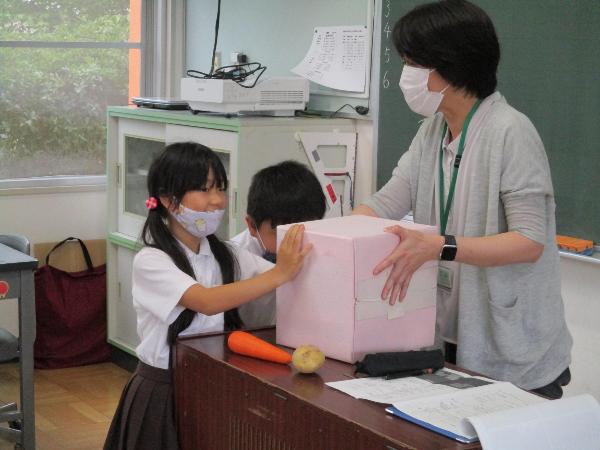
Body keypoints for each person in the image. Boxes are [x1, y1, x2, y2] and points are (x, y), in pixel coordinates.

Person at [353, 0, 572, 398]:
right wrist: (337, 235)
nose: (406, 75)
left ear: (450, 65)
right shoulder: (432, 131)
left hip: (514, 348)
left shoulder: (511, 132)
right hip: (450, 338)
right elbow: (385, 203)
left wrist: (440, 246)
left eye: (413, 62)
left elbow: (529, 242)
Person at [104, 142, 311, 450]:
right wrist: (280, 272)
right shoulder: (151, 260)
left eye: (221, 189)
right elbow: (206, 301)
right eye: (204, 189)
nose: (217, 201)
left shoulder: (225, 254)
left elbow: (284, 279)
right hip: (162, 390)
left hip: (210, 386)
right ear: (167, 200)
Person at [231, 160, 326, 328]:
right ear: (252, 225)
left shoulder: (324, 247)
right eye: (281, 233)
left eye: (305, 228)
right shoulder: (233, 260)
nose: (294, 240)